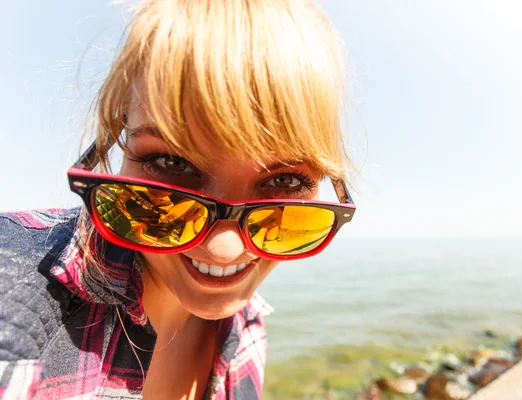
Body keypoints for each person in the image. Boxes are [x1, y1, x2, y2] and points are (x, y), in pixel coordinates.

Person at [0, 0, 356, 398]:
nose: (223, 251)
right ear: (113, 143)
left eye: (287, 180)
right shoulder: (13, 309)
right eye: (170, 161)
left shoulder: (248, 326)